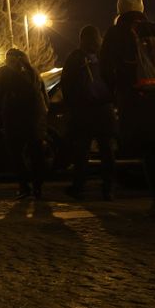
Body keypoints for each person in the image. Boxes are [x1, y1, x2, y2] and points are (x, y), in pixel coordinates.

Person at [100, 0, 155, 221]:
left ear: (120, 9)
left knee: (148, 153)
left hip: (134, 101)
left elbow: (105, 69)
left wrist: (118, 92)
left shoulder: (115, 34)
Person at [61, 26, 116, 200]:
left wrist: (72, 107)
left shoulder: (75, 58)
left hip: (83, 111)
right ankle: (108, 188)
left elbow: (66, 85)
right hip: (104, 109)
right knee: (107, 151)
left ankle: (79, 186)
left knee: (81, 151)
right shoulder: (104, 56)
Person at [0, 48, 49, 200]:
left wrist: (1, 117)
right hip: (34, 120)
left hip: (13, 119)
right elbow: (43, 97)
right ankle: (38, 187)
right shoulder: (33, 72)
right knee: (36, 154)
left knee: (16, 155)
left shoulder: (3, 73)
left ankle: (24, 186)